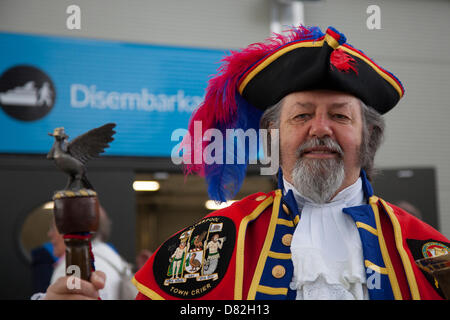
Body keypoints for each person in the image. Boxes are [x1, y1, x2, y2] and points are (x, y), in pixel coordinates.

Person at [44, 25, 449, 300]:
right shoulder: (205, 245)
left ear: (369, 137)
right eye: (301, 115)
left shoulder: (432, 256)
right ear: (272, 135)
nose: (319, 129)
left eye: (341, 116)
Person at [43, 206, 137, 300]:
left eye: (54, 227)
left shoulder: (73, 266)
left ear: (74, 229)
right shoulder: (112, 257)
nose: (50, 234)